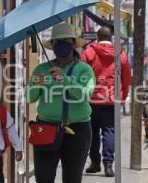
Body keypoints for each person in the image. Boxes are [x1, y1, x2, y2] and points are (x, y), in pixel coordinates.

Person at [26, 23, 96, 183]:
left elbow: (85, 95)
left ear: (72, 43)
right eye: (57, 41)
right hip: (46, 128)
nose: (60, 44)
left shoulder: (84, 70)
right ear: (52, 46)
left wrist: (64, 79)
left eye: (65, 40)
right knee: (43, 178)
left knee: (72, 178)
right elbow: (30, 98)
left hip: (77, 130)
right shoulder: (42, 69)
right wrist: (36, 84)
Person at [80, 27, 131, 177]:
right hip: (112, 100)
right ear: (111, 38)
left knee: (92, 132)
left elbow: (81, 74)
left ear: (97, 37)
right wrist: (123, 95)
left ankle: (95, 163)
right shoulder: (120, 54)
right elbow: (127, 77)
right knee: (109, 132)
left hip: (92, 99)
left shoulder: (89, 52)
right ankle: (108, 165)